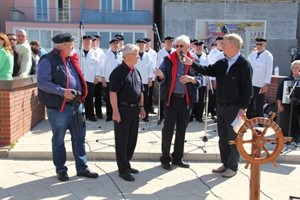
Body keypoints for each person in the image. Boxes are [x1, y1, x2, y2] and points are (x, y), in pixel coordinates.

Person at [184, 33, 253, 178]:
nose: (222, 46)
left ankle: (232, 167)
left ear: (233, 46)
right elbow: (208, 70)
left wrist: (243, 108)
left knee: (233, 138)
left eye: (225, 44)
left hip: (235, 108)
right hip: (221, 106)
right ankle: (225, 163)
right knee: (222, 137)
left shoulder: (244, 65)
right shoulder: (222, 62)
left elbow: (248, 89)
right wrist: (192, 64)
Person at [37, 33, 98, 181]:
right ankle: (61, 169)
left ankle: (82, 168)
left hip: (76, 106)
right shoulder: (47, 60)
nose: (73, 46)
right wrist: (62, 92)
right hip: (59, 108)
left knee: (80, 138)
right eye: (70, 43)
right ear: (62, 45)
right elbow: (43, 83)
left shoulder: (71, 59)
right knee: (58, 140)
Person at [154, 35, 201, 170]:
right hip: (172, 99)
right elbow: (161, 74)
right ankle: (165, 159)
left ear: (188, 47)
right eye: (177, 46)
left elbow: (200, 78)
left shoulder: (193, 60)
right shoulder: (168, 59)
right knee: (167, 130)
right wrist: (161, 75)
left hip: (186, 100)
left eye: (182, 46)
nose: (179, 48)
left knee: (181, 130)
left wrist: (191, 79)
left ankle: (178, 158)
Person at [109, 44, 146, 181]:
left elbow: (140, 91)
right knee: (122, 140)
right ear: (127, 56)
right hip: (122, 110)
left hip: (134, 109)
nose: (138, 57)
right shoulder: (118, 72)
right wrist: (115, 112)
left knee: (132, 139)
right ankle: (123, 169)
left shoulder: (135, 71)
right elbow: (113, 93)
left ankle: (127, 163)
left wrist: (142, 107)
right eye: (136, 54)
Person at [247, 37, 273, 119]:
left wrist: (266, 84)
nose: (258, 46)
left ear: (265, 44)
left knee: (259, 103)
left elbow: (269, 70)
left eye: (260, 44)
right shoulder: (252, 54)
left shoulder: (268, 55)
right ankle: (248, 118)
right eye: (257, 44)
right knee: (249, 102)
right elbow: (247, 66)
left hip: (260, 83)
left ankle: (260, 120)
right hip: (251, 82)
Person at [77, 35, 101, 122]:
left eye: (89, 41)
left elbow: (98, 66)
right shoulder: (78, 52)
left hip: (90, 78)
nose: (87, 43)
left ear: (91, 42)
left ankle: (90, 115)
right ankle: (80, 115)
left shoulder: (94, 53)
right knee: (80, 98)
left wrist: (97, 76)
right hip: (80, 79)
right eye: (85, 41)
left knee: (90, 97)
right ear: (83, 42)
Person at [276, 60, 300, 143]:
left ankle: (297, 138)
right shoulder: (286, 80)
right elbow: (279, 94)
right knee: (287, 122)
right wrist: (279, 105)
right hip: (287, 105)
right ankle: (286, 137)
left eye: (297, 68)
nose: (295, 69)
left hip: (298, 105)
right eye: (293, 68)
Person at [102, 38, 123, 121]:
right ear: (110, 45)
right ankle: (109, 115)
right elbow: (103, 67)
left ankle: (118, 113)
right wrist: (103, 78)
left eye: (117, 44)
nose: (115, 45)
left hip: (119, 80)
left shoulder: (121, 54)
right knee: (109, 98)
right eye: (113, 44)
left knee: (119, 98)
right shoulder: (107, 54)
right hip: (108, 80)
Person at [156, 36, 176, 122]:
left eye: (171, 41)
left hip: (173, 76)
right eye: (167, 41)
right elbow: (158, 65)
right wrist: (159, 76)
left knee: (172, 96)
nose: (169, 43)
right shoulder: (161, 52)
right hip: (164, 76)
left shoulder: (175, 51)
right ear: (164, 43)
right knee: (163, 96)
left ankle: (170, 115)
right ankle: (161, 115)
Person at [190, 40, 210, 123]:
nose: (198, 48)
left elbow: (209, 70)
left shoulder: (206, 57)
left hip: (203, 82)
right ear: (194, 47)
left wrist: (209, 82)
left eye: (200, 47)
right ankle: (190, 116)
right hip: (193, 80)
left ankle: (199, 116)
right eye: (197, 47)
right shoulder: (191, 56)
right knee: (192, 98)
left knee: (201, 99)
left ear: (202, 47)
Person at [135, 38, 153, 122]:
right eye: (139, 44)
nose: (141, 46)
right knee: (135, 98)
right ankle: (135, 114)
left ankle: (145, 115)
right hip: (135, 80)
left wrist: (150, 79)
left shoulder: (148, 56)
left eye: (143, 44)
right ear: (137, 45)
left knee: (146, 98)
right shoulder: (134, 54)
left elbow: (150, 68)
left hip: (145, 81)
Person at [92, 35, 105, 119]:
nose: (94, 43)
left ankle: (99, 113)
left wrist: (98, 76)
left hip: (98, 79)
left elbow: (101, 65)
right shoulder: (87, 51)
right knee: (89, 97)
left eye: (95, 41)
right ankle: (90, 113)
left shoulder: (101, 52)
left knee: (98, 97)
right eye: (92, 41)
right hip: (89, 79)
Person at [144, 37, 158, 114]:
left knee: (150, 93)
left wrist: (153, 76)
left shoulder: (153, 53)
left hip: (151, 76)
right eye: (146, 43)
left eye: (148, 43)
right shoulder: (140, 51)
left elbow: (155, 64)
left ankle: (150, 108)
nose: (147, 44)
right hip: (143, 76)